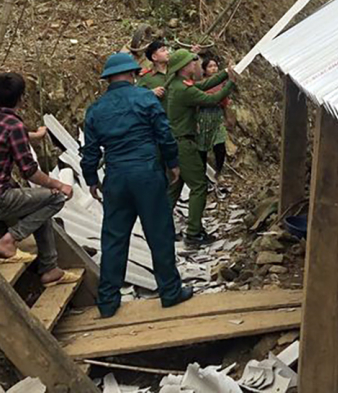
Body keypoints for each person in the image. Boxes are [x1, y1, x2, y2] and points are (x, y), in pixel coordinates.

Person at [81, 53, 192, 318]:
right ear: (132, 75)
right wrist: (173, 163)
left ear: (108, 79)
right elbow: (164, 134)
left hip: (116, 177)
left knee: (114, 238)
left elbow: (90, 150)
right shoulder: (145, 98)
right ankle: (170, 292)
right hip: (147, 173)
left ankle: (107, 302)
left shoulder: (95, 109)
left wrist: (91, 179)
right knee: (159, 233)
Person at [0, 73, 77, 286]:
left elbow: (8, 134)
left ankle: (49, 269)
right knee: (55, 198)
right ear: (21, 98)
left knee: (38, 205)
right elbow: (30, 172)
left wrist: (33, 136)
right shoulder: (14, 126)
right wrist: (59, 184)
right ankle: (8, 241)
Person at [166, 49, 236, 246]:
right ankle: (194, 232)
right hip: (183, 143)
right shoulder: (183, 90)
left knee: (175, 187)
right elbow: (212, 99)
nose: (196, 65)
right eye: (192, 62)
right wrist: (231, 82)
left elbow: (204, 84)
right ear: (184, 68)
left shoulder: (178, 85)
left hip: (176, 141)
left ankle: (161, 226)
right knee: (199, 186)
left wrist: (225, 73)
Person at [197, 56, 232, 200]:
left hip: (217, 117)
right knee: (203, 148)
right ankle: (202, 176)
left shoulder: (222, 84)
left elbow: (225, 101)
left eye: (215, 66)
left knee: (220, 145)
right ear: (204, 70)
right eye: (210, 66)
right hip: (203, 117)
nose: (214, 69)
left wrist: (228, 116)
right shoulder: (199, 84)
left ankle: (219, 171)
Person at [137, 39, 171, 106]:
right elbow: (137, 97)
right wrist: (151, 92)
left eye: (167, 50)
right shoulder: (146, 77)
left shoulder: (176, 69)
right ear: (154, 57)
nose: (167, 52)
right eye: (163, 50)